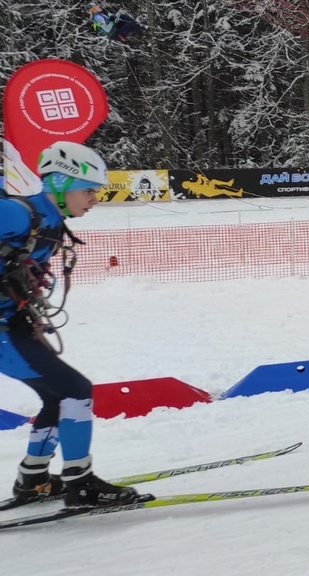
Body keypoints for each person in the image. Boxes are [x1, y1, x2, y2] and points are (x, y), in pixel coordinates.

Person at [6, 141, 151, 508]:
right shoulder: (19, 214)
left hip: (13, 323)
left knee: (57, 395)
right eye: (88, 191)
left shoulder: (51, 222)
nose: (94, 200)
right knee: (76, 390)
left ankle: (34, 480)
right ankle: (81, 484)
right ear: (58, 184)